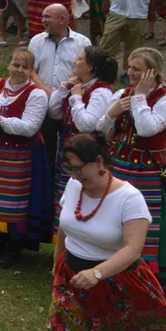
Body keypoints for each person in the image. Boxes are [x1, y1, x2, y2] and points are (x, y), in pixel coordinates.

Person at [44, 131, 166, 331]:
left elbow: (132, 249)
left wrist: (97, 273)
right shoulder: (73, 185)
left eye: (78, 168)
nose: (74, 175)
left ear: (99, 162)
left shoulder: (129, 198)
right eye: (70, 169)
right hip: (73, 278)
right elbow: (65, 225)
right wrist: (57, 259)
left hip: (121, 282)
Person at [97, 47, 166, 306]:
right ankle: (108, 274)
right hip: (119, 166)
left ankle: (141, 282)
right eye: (129, 67)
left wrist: (140, 98)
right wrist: (112, 113)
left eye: (136, 68)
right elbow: (100, 132)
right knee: (112, 219)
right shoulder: (122, 94)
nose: (129, 72)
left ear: (152, 72)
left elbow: (146, 129)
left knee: (143, 225)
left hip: (147, 173)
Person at [0, 48, 51, 268]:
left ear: (31, 71)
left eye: (25, 67)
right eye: (16, 65)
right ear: (8, 65)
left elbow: (30, 128)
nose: (19, 70)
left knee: (13, 202)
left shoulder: (36, 94)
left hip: (19, 154)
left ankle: (14, 249)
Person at [48, 46, 118, 238]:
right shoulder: (80, 85)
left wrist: (76, 98)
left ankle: (81, 239)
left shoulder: (101, 92)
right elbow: (53, 112)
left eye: (79, 59)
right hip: (69, 148)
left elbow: (87, 124)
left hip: (86, 154)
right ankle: (64, 243)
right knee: (66, 194)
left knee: (83, 194)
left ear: (90, 67)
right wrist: (64, 89)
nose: (74, 62)